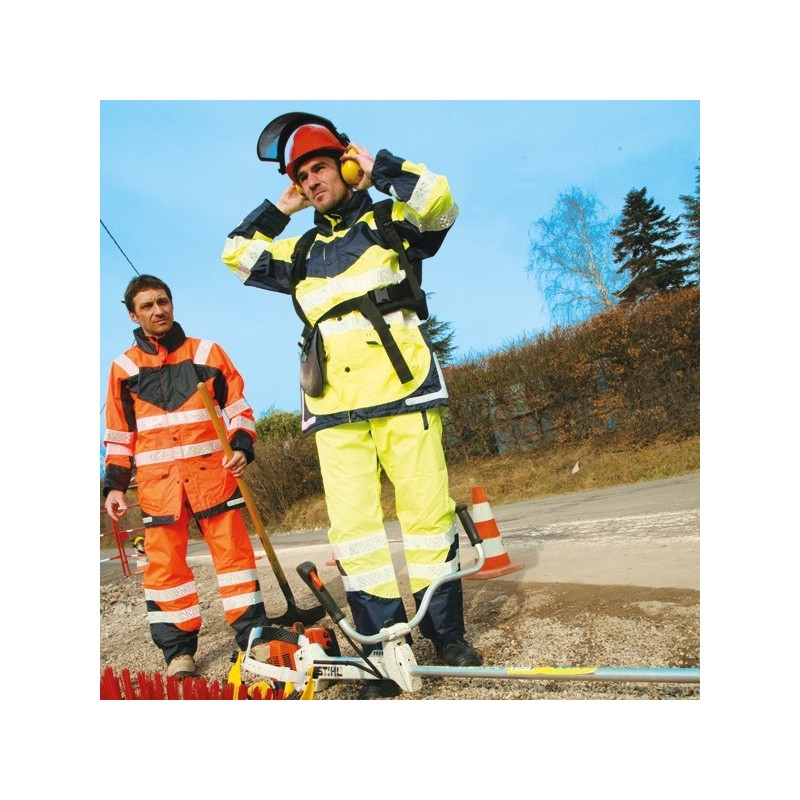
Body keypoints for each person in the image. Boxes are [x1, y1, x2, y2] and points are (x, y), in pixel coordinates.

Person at [222, 116, 482, 699]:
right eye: (302, 176)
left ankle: (447, 636)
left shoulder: (390, 219)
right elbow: (235, 255)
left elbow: (440, 205)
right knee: (356, 534)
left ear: (343, 165)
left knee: (426, 515)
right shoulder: (302, 249)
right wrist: (279, 207)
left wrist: (379, 168)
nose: (312, 181)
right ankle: (384, 649)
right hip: (334, 409)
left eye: (320, 168)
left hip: (403, 391)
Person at [103, 274, 274, 679]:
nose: (157, 310)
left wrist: (241, 447)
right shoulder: (123, 368)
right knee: (165, 570)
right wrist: (113, 485)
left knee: (235, 560)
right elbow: (118, 434)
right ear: (133, 314)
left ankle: (254, 638)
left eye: (163, 301)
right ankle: (179, 652)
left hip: (213, 475)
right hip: (159, 487)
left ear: (173, 304)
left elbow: (239, 410)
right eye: (147, 306)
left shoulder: (207, 353)